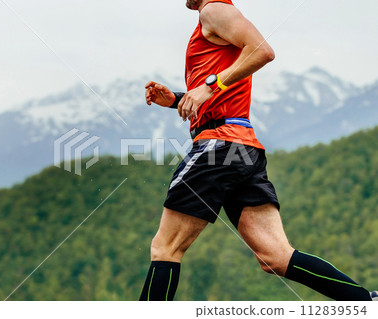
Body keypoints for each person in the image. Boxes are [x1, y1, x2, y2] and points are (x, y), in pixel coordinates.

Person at [139, 0, 377, 301]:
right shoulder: (213, 19)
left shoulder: (213, 9)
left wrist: (208, 86)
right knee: (276, 257)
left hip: (218, 146)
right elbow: (222, 95)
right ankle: (365, 303)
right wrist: (175, 99)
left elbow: (262, 50)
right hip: (242, 149)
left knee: (166, 248)